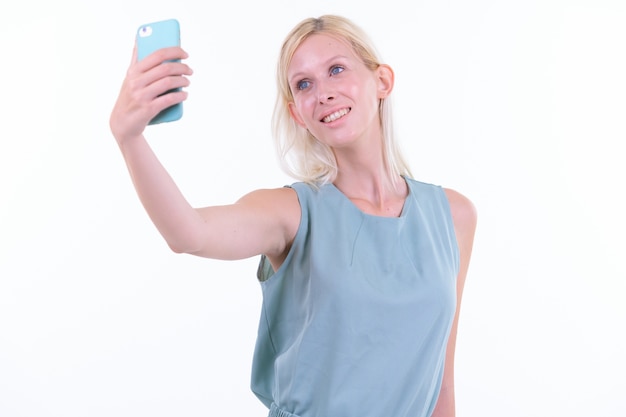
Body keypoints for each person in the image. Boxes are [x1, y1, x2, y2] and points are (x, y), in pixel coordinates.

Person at [110, 14, 477, 417]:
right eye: (304, 84)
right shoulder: (293, 212)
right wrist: (130, 138)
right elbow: (190, 234)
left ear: (382, 81)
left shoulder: (454, 216)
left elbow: (441, 380)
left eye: (336, 69)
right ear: (297, 112)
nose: (323, 93)